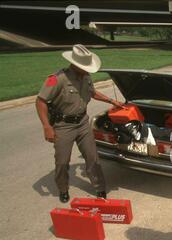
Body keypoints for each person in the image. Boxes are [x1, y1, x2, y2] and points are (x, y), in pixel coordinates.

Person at [35, 44, 124, 203]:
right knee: (62, 162)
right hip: (63, 126)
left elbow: (92, 92)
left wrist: (111, 100)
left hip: (83, 123)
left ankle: (100, 188)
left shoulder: (86, 77)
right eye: (85, 67)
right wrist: (47, 127)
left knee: (92, 158)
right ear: (75, 64)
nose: (88, 70)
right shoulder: (57, 79)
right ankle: (63, 189)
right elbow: (40, 101)